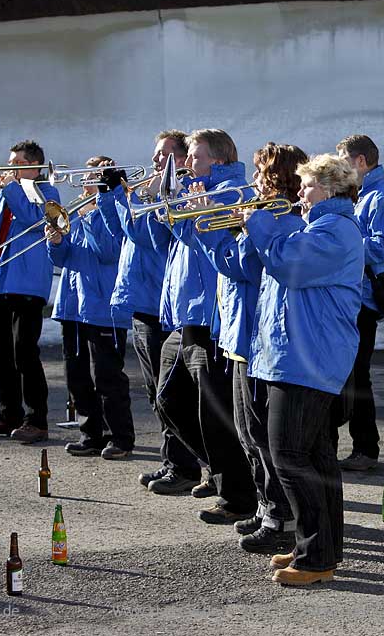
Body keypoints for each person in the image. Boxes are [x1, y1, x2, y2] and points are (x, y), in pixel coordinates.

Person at [242, 153, 364, 586]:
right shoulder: (317, 227)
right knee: (314, 457)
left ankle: (315, 559)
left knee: (290, 457)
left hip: (308, 359)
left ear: (330, 189)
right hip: (295, 354)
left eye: (308, 186)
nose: (301, 194)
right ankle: (317, 548)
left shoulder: (336, 229)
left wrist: (260, 223)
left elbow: (289, 266)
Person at [189, 143, 308, 553]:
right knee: (246, 431)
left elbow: (240, 266)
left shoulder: (280, 221)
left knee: (260, 433)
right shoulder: (263, 217)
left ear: (278, 177)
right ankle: (265, 506)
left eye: (262, 173)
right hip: (240, 334)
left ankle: (280, 517)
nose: (255, 180)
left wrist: (212, 230)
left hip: (257, 336)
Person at [152, 128, 257, 524]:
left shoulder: (234, 192)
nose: (187, 164)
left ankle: (239, 494)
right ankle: (220, 472)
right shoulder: (196, 189)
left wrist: (199, 212)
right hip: (185, 314)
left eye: (195, 158)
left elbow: (220, 253)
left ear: (220, 159)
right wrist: (176, 207)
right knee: (168, 401)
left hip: (211, 316)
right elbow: (177, 238)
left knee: (214, 413)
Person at [97, 130, 206, 493]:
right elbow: (120, 232)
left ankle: (185, 465)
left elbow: (147, 234)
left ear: (180, 157)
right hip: (141, 299)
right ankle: (172, 460)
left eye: (163, 155)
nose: (156, 160)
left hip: (158, 302)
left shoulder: (172, 192)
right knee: (155, 392)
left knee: (172, 394)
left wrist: (123, 195)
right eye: (156, 154)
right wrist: (109, 196)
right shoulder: (152, 189)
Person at [0, 140, 60, 444]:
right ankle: (8, 414)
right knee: (0, 354)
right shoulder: (3, 196)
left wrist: (10, 191)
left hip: (27, 284)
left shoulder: (47, 193)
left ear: (34, 167)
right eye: (9, 163)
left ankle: (37, 419)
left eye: (16, 164)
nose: (9, 169)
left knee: (25, 353)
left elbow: (35, 220)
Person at [45, 158, 133, 458]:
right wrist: (55, 242)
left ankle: (118, 437)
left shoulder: (110, 214)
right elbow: (64, 258)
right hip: (72, 305)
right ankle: (90, 433)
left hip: (103, 306)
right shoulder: (80, 213)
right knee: (76, 374)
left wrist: (90, 215)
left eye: (92, 177)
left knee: (108, 376)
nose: (84, 183)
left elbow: (109, 252)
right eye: (84, 177)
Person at [334, 134, 384, 471]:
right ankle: (360, 447)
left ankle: (366, 449)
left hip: (363, 299)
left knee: (358, 376)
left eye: (344, 160)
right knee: (349, 374)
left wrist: (341, 245)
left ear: (361, 161)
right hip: (353, 295)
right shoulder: (364, 196)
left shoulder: (382, 199)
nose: (340, 167)